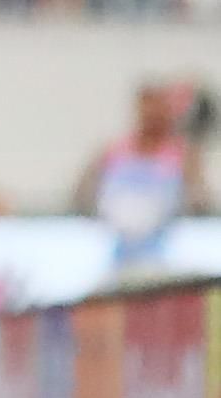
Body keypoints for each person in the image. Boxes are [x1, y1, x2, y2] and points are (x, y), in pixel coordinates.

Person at [78, 81, 211, 280]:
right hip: (117, 256)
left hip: (165, 257)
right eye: (146, 109)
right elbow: (82, 194)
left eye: (158, 109)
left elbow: (201, 201)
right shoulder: (113, 150)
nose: (152, 117)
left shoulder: (183, 155)